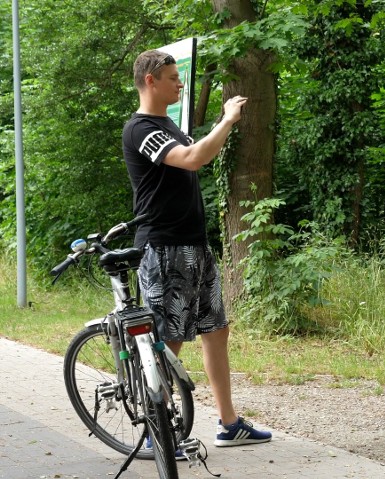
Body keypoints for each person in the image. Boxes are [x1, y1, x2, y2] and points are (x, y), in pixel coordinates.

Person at [122, 49, 271, 447]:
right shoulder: (140, 129)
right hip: (164, 248)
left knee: (216, 330)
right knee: (167, 340)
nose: (180, 83)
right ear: (150, 80)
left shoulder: (168, 123)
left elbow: (196, 154)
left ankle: (229, 423)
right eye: (173, 77)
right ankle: (157, 430)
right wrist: (226, 120)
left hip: (195, 246)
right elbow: (192, 159)